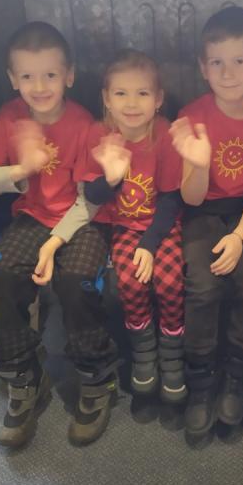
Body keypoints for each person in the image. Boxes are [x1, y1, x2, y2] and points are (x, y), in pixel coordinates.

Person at [0, 21, 118, 448]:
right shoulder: (10, 116)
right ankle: (24, 376)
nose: (39, 86)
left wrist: (54, 245)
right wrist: (20, 169)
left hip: (82, 219)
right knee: (0, 280)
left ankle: (96, 378)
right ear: (12, 78)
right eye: (28, 76)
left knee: (76, 283)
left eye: (50, 75)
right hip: (33, 217)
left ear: (68, 76)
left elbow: (90, 202)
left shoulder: (85, 125)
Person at [169, 6, 243, 436]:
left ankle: (236, 374)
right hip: (202, 210)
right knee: (201, 283)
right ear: (203, 67)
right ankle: (200, 381)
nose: (228, 73)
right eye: (217, 62)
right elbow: (191, 197)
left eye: (240, 61)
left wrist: (239, 238)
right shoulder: (193, 117)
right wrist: (198, 164)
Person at [81, 49, 186, 404]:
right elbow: (93, 194)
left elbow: (170, 199)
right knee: (129, 281)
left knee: (170, 280)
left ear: (158, 99)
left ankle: (171, 354)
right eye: (121, 93)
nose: (131, 103)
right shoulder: (100, 133)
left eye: (142, 93)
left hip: (160, 225)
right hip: (124, 226)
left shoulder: (165, 134)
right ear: (107, 99)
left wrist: (150, 244)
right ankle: (144, 353)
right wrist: (112, 177)